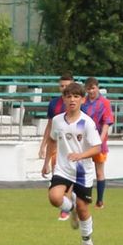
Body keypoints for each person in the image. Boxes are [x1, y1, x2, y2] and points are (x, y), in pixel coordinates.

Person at [40, 81, 100, 245]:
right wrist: (46, 163)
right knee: (54, 197)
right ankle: (70, 209)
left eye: (76, 96)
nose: (72, 99)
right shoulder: (58, 120)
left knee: (83, 207)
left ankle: (87, 242)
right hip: (63, 168)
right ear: (64, 99)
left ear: (82, 100)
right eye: (68, 96)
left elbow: (97, 147)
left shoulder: (86, 122)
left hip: (82, 171)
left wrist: (80, 156)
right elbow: (52, 139)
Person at [43, 72, 78, 221]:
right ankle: (68, 205)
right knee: (58, 174)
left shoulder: (79, 105)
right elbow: (50, 127)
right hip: (57, 146)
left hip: (73, 149)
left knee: (70, 175)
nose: (64, 88)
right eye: (62, 86)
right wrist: (42, 146)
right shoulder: (53, 104)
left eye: (67, 85)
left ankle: (67, 208)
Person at [83, 76, 114, 208]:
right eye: (88, 89)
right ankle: (86, 196)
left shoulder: (104, 103)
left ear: (97, 87)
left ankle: (100, 200)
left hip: (98, 141)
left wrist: (99, 141)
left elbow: (106, 123)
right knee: (84, 169)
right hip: (84, 141)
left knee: (99, 170)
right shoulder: (83, 102)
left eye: (93, 88)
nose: (91, 91)